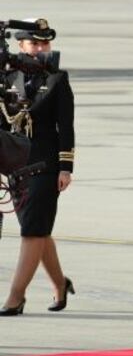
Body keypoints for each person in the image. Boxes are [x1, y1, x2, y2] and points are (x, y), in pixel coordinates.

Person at [0, 25, 75, 316]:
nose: (40, 49)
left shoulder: (57, 79)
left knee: (32, 231)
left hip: (45, 165)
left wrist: (65, 168)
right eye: (34, 43)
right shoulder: (8, 78)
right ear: (21, 46)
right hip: (16, 166)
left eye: (44, 44)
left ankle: (15, 297)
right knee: (37, 229)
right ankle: (60, 283)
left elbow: (65, 127)